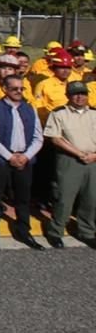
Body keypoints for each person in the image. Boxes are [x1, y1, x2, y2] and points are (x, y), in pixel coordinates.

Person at [0, 75, 44, 251]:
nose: (19, 91)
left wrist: (26, 156)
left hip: (24, 159)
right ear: (5, 89)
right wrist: (10, 157)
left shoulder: (30, 109)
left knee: (23, 198)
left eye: (21, 88)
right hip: (1, 159)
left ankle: (23, 230)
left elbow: (38, 137)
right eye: (14, 88)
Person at [42, 81, 96, 249]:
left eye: (83, 93)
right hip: (69, 159)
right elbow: (55, 138)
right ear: (68, 96)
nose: (80, 97)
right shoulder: (59, 113)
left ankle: (86, 232)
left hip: (93, 160)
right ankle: (56, 232)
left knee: (91, 199)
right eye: (75, 94)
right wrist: (79, 153)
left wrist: (94, 155)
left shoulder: (94, 113)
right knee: (64, 198)